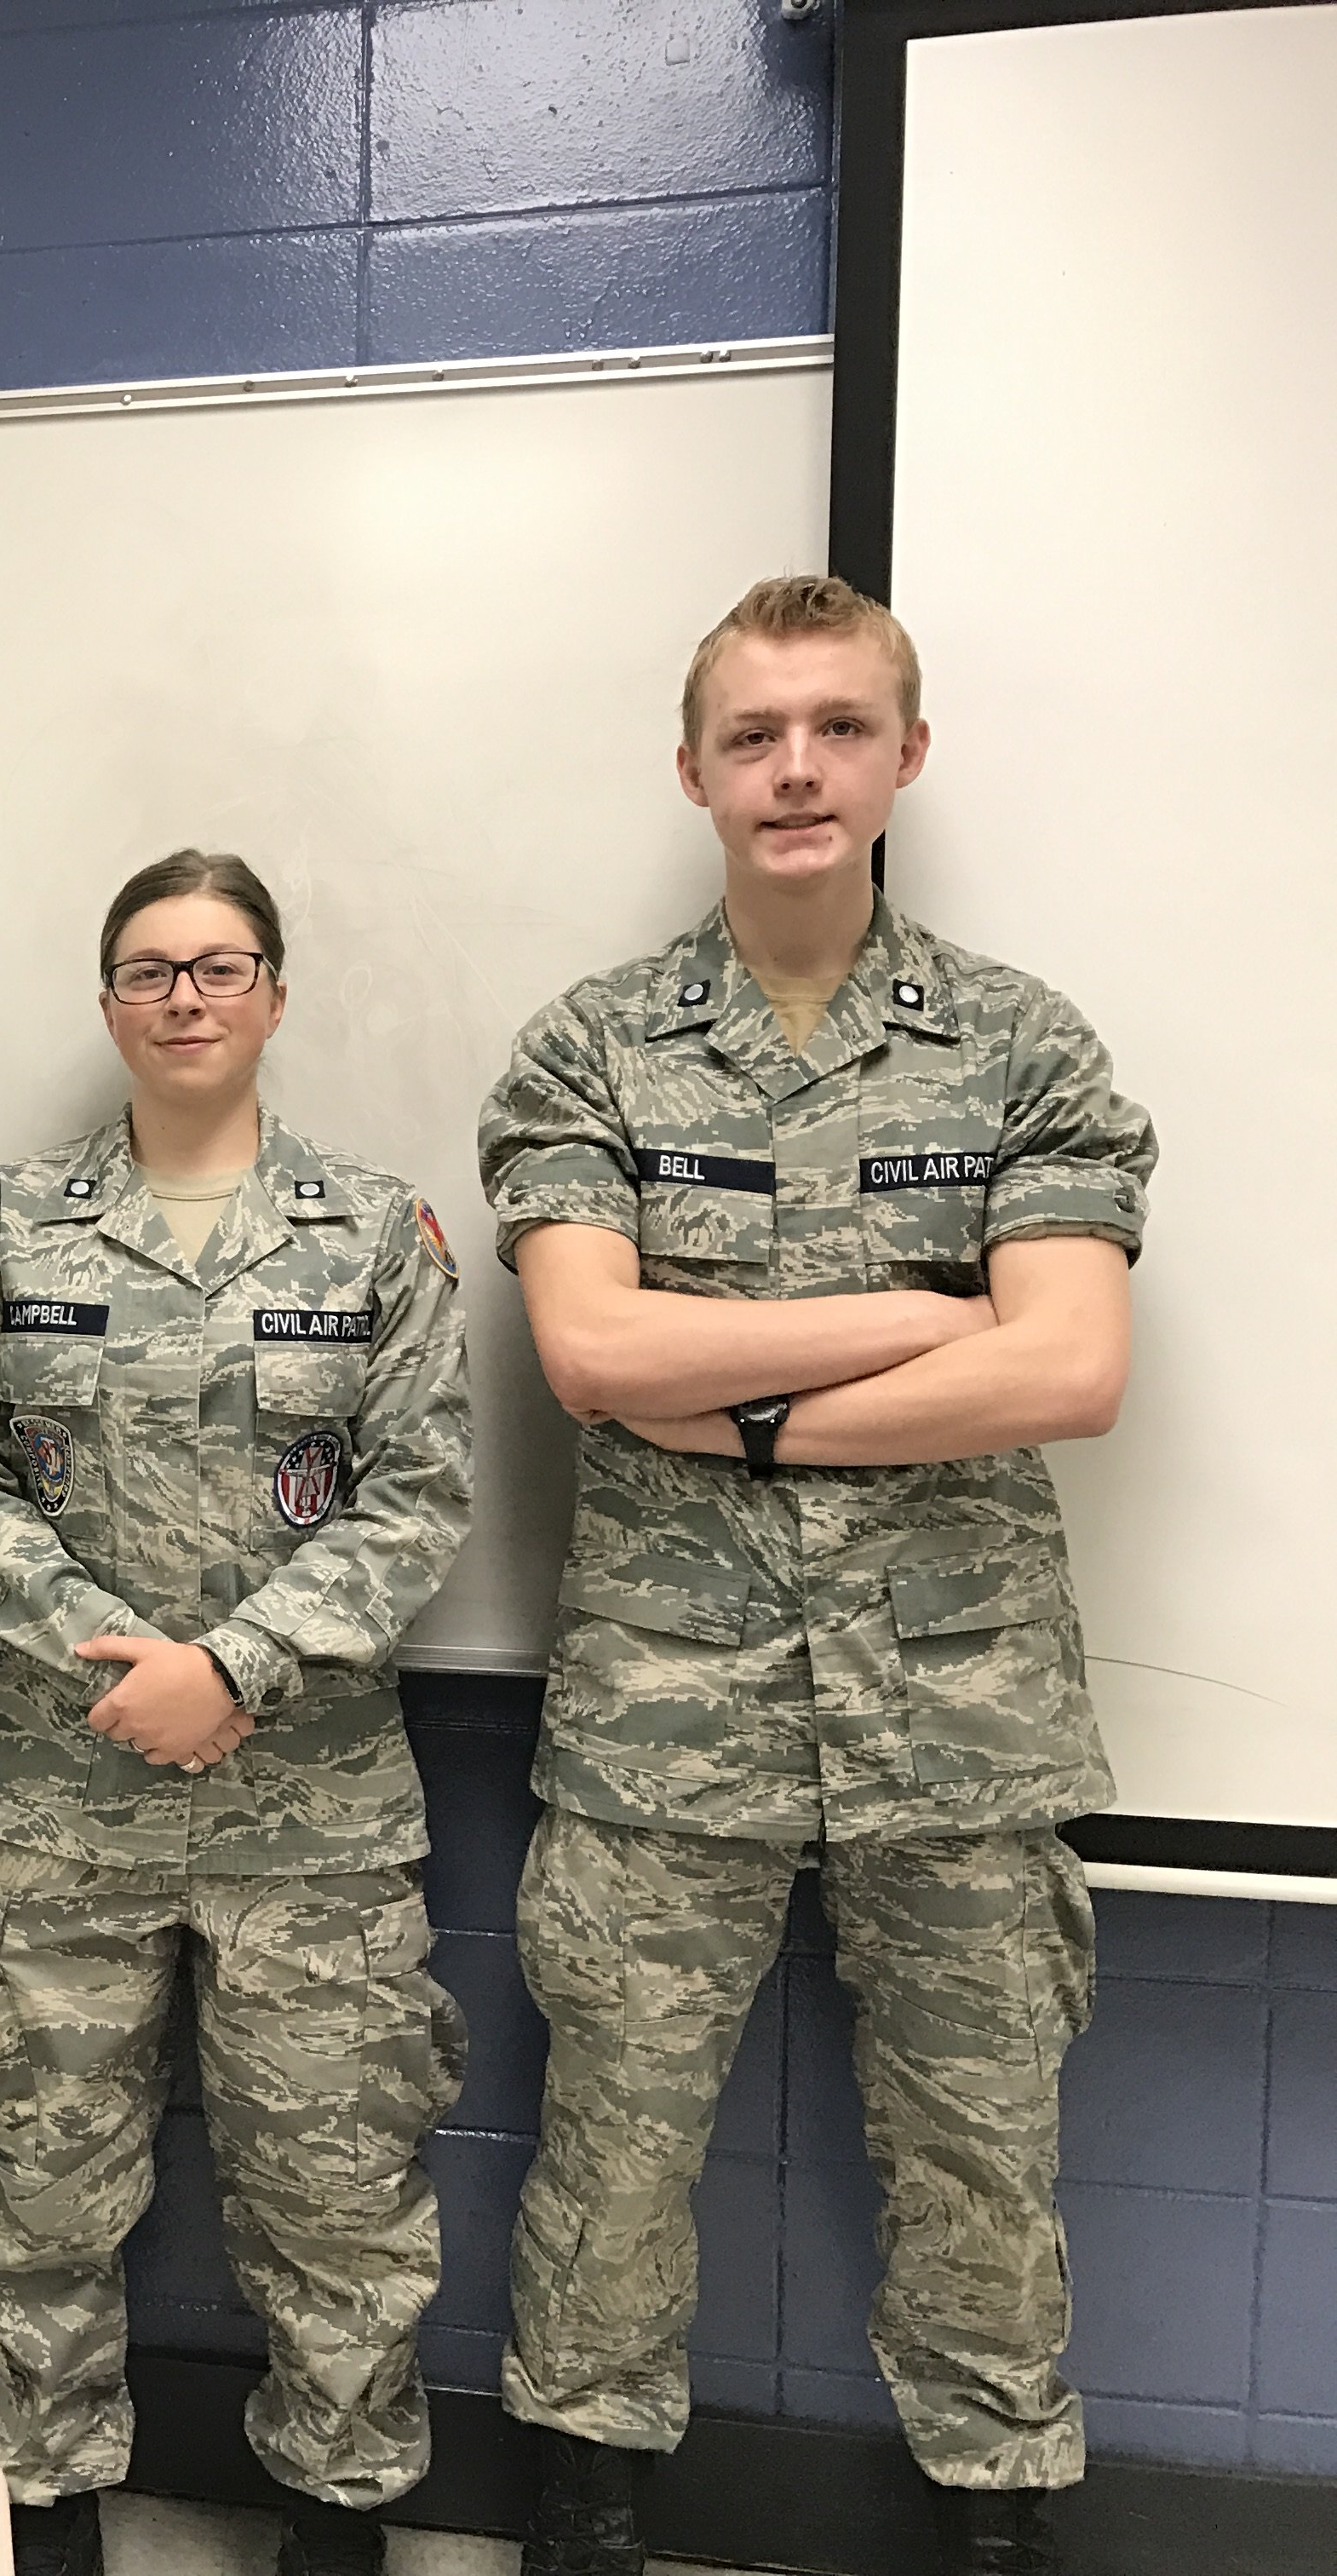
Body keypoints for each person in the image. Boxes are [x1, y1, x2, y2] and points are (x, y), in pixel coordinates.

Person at [478, 575, 1155, 2576]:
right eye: (756, 735)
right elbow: (593, 1353)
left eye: (840, 728)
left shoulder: (1023, 1044)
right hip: (664, 1704)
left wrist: (748, 1407)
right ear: (691, 770)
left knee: (982, 2160)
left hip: (960, 1705)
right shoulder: (592, 1048)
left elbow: (1073, 1369)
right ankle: (583, 2513)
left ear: (905, 756)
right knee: (613, 2150)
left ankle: (997, 2515)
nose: (797, 770)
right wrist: (930, 1319)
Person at [0, 851, 474, 2576]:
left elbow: (422, 1493)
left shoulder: (372, 1230)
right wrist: (121, 1665)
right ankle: (43, 2502)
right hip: (53, 1793)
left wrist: (231, 1668)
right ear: (110, 1006)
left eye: (221, 967)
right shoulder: (14, 1224)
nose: (186, 998)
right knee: (35, 2182)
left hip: (312, 1811)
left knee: (337, 2191)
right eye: (151, 971)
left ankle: (340, 2507)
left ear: (274, 997)